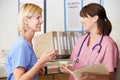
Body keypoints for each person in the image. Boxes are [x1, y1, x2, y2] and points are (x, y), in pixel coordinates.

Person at [60, 3, 119, 80]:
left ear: (95, 18)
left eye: (84, 17)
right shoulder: (80, 40)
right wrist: (68, 69)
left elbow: (111, 77)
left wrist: (92, 77)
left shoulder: (109, 44)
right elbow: (76, 67)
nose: (81, 21)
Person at [5, 3, 57, 80]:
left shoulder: (28, 43)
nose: (42, 21)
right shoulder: (21, 45)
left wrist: (36, 68)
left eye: (41, 17)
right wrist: (40, 62)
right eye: (38, 17)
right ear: (26, 20)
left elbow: (26, 71)